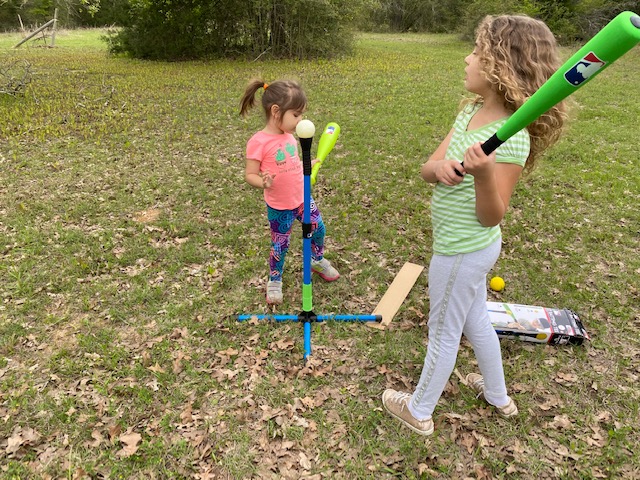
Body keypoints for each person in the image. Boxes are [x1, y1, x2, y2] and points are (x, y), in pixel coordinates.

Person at [382, 15, 566, 435]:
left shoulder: (512, 136)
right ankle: (498, 396)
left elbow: (492, 214)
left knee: (444, 329)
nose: (467, 58)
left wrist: (483, 175)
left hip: (462, 251)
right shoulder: (470, 113)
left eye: (478, 53)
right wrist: (441, 168)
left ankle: (419, 408)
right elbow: (427, 167)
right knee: (476, 319)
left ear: (499, 65)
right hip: (460, 245)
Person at [239, 79, 340, 305]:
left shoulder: (290, 137)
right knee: (280, 244)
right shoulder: (258, 142)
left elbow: (292, 162)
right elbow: (250, 174)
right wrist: (263, 183)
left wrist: (309, 164)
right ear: (276, 111)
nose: (300, 120)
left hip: (302, 198)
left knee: (318, 228)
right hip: (279, 206)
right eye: (296, 115)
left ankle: (317, 259)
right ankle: (274, 280)